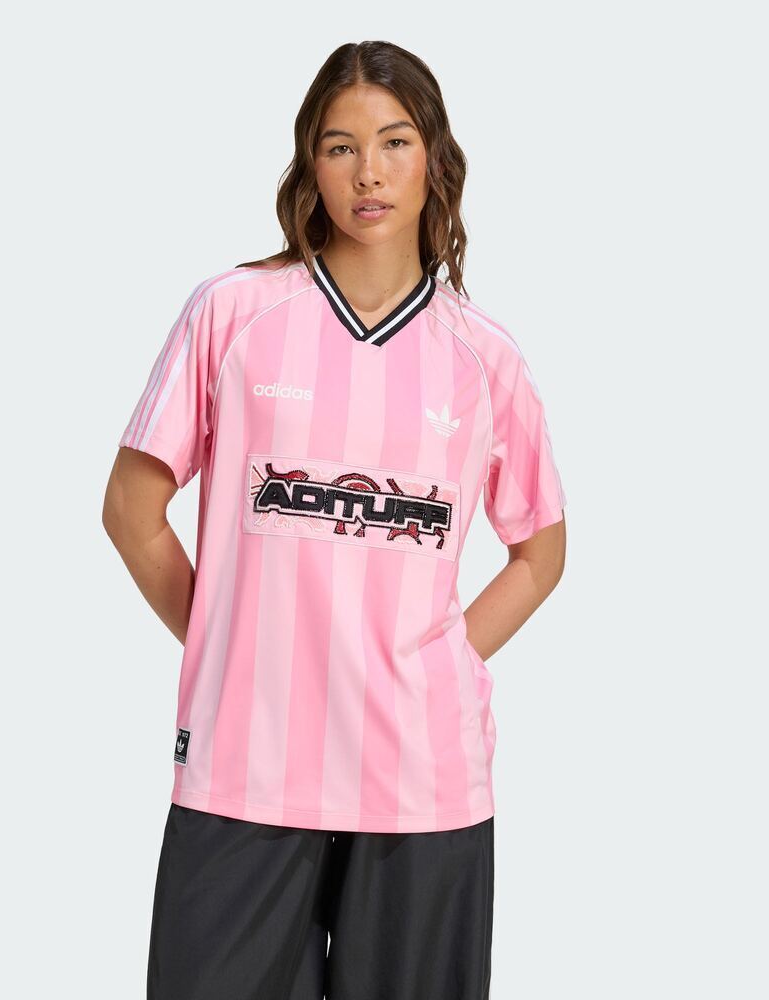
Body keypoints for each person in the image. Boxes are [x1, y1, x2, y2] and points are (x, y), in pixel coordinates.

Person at [102, 39, 568, 1000]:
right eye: (339, 146)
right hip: (244, 766)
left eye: (394, 142)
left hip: (422, 782)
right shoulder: (234, 313)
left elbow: (541, 549)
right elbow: (131, 510)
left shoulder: (483, 357)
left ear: (434, 159)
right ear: (309, 164)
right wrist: (232, 641)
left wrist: (443, 658)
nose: (368, 173)